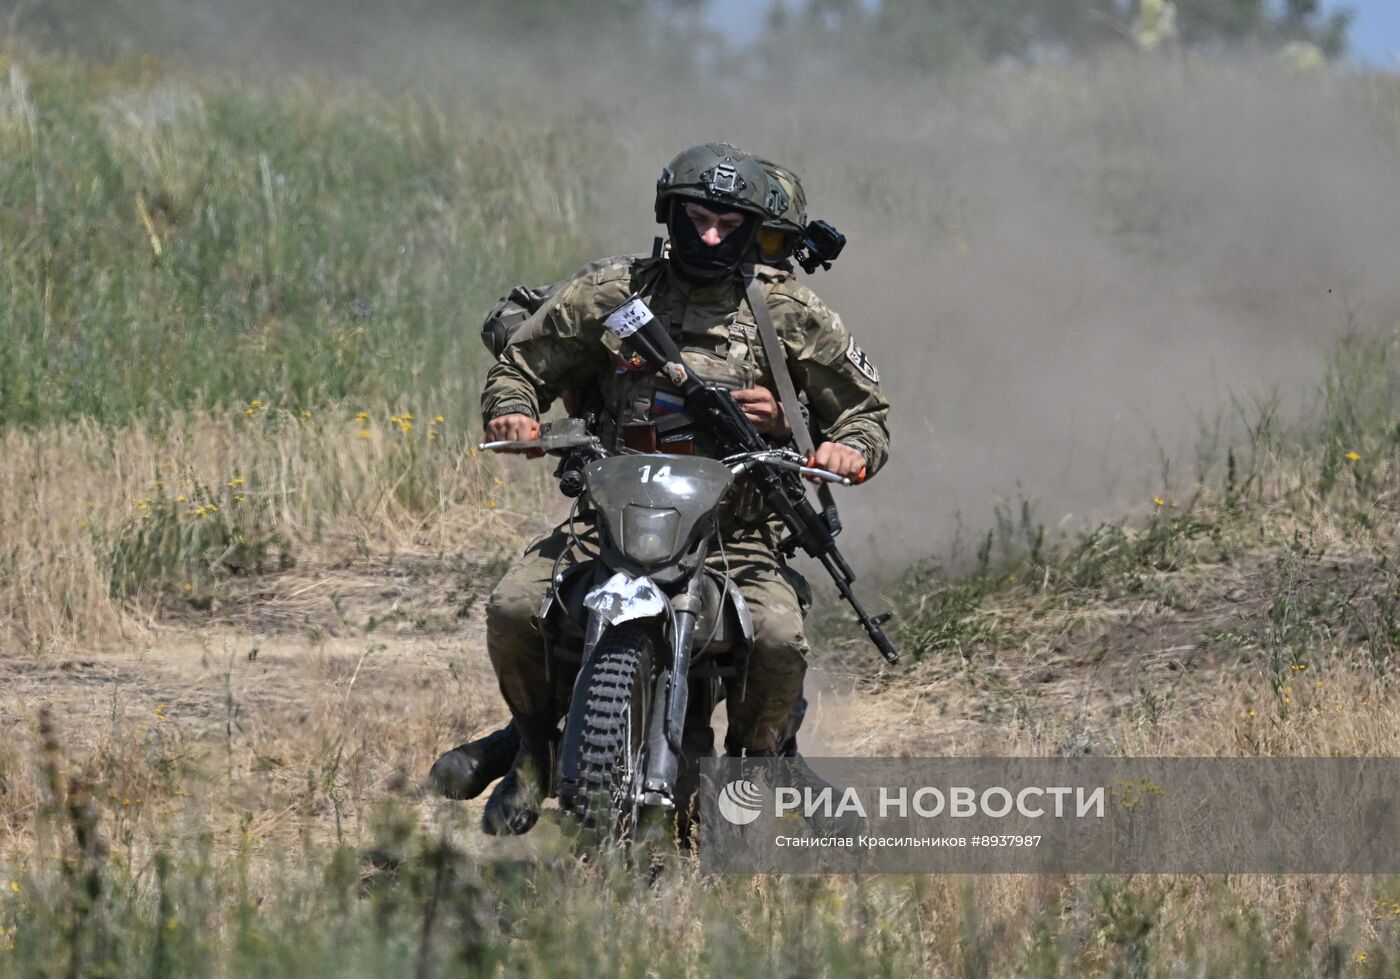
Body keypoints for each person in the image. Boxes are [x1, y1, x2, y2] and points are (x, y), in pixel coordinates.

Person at [456, 143, 890, 835]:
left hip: (735, 533)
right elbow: (521, 363)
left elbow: (866, 415)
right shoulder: (611, 292)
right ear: (669, 215)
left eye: (728, 224)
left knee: (777, 637)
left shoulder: (791, 316)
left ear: (752, 232)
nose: (710, 235)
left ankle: (755, 764)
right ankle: (534, 748)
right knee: (513, 606)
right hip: (610, 522)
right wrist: (514, 410)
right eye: (696, 219)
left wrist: (831, 444)